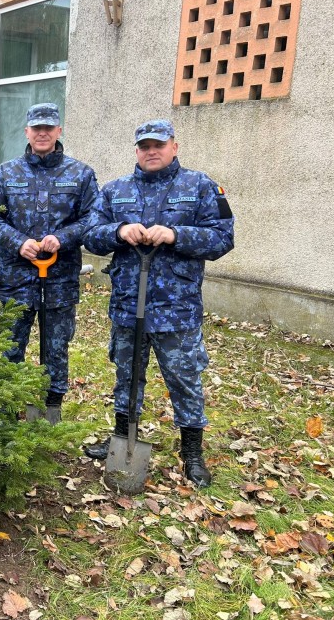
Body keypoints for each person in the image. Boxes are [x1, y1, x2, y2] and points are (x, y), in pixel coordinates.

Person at [82, 119, 234, 488]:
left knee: (184, 378)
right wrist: (118, 232)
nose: (152, 151)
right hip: (127, 303)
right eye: (145, 146)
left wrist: (176, 234)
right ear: (136, 150)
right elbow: (90, 234)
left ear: (174, 147)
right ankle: (121, 436)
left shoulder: (199, 186)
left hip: (176, 308)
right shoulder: (115, 190)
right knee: (127, 375)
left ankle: (192, 452)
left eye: (159, 145)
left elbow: (222, 238)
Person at [0, 103, 99, 414]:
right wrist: (19, 243)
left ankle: (52, 408)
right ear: (27, 132)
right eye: (37, 128)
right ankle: (7, 410)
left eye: (49, 127)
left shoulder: (81, 174)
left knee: (56, 348)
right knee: (9, 346)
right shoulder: (5, 173)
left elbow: (94, 218)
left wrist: (62, 238)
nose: (43, 133)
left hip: (59, 281)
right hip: (15, 281)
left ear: (59, 131)